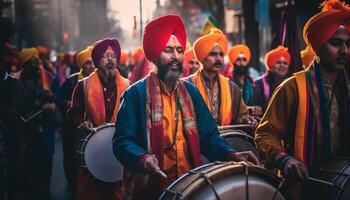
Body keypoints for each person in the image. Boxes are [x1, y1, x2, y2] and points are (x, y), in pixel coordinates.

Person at [113, 15, 259, 200]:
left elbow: (209, 136)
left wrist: (232, 154)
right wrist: (141, 158)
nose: (175, 56)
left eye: (179, 50)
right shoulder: (136, 94)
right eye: (168, 50)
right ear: (155, 54)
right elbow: (121, 142)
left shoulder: (191, 92)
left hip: (190, 188)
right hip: (150, 189)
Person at [255, 0, 350, 198]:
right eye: (336, 43)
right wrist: (284, 160)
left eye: (348, 44)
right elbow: (265, 134)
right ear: (318, 46)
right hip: (302, 186)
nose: (345, 51)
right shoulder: (292, 88)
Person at [68, 38, 130, 200]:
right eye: (105, 56)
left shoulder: (128, 85)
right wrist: (82, 123)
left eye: (114, 56)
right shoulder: (83, 85)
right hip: (92, 152)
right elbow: (73, 112)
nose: (110, 59)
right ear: (96, 60)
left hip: (118, 151)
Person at [185, 28, 257, 128]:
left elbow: (239, 116)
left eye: (221, 54)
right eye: (213, 54)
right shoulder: (187, 86)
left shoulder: (232, 88)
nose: (218, 58)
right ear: (202, 57)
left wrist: (245, 119)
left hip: (226, 140)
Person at [18, 48, 58, 200]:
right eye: (29, 63)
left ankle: (45, 191)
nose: (34, 65)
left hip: (45, 126)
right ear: (23, 66)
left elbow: (58, 98)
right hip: (26, 129)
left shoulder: (49, 77)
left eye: (36, 62)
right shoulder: (17, 81)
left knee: (46, 162)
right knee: (30, 163)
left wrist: (52, 101)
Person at [57, 46, 95, 193]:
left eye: (92, 63)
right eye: (87, 63)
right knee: (71, 156)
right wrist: (68, 104)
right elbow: (58, 98)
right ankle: (72, 185)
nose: (91, 66)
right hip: (71, 127)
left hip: (91, 127)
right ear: (82, 65)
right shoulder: (72, 81)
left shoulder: (98, 81)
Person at [254, 46, 291, 112]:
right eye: (278, 62)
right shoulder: (259, 83)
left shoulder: (290, 84)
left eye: (285, 63)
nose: (282, 65)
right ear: (270, 65)